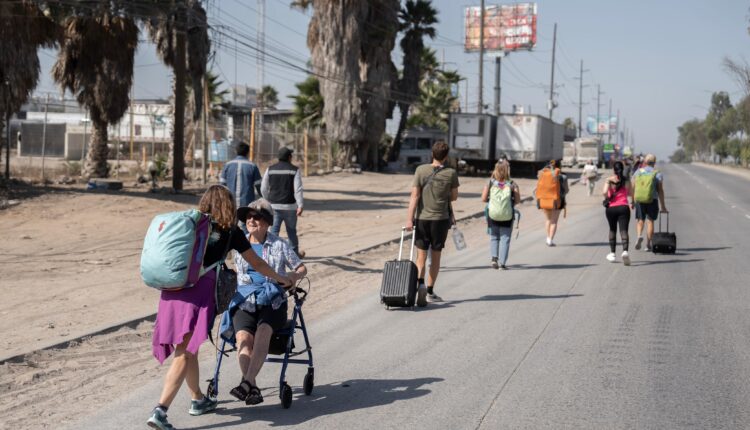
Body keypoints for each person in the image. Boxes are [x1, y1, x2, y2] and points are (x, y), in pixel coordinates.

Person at [147, 185, 292, 430]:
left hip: (171, 291)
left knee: (188, 347)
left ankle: (197, 399)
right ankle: (160, 410)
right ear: (229, 205)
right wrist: (281, 279)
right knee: (184, 351)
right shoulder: (230, 231)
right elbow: (256, 262)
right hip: (197, 293)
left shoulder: (192, 223)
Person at [223, 198, 307, 406]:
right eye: (248, 217)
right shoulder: (239, 243)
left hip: (273, 301)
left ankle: (247, 382)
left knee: (262, 333)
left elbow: (301, 267)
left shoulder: (279, 244)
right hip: (245, 300)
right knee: (243, 338)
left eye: (257, 217)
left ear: (268, 222)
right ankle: (252, 387)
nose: (251, 220)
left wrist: (293, 277)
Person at [406, 140, 459, 306]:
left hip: (422, 219)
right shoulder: (451, 173)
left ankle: (419, 284)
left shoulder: (421, 170)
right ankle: (429, 291)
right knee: (435, 257)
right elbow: (454, 196)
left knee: (420, 256)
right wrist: (441, 195)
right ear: (446, 157)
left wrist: (409, 219)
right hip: (440, 220)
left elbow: (414, 196)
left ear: (432, 154)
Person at [261, 146, 305, 258]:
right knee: (291, 232)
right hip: (290, 207)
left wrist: (268, 200)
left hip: (274, 206)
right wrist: (300, 205)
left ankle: (271, 254)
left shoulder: (270, 169)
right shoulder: (294, 170)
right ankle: (294, 255)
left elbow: (263, 188)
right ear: (289, 157)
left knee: (274, 232)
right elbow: (298, 189)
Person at [481, 159, 520, 270]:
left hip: (493, 214)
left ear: (495, 170)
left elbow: (483, 199)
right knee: (505, 238)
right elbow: (517, 200)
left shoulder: (490, 183)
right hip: (507, 215)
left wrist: (492, 200)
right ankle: (502, 263)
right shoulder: (512, 184)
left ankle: (494, 259)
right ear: (507, 170)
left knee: (494, 237)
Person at [632, 154, 667, 251]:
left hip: (639, 199)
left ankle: (639, 236)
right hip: (652, 200)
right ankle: (648, 244)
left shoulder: (638, 172)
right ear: (654, 163)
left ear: (645, 162)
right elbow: (660, 190)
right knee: (650, 221)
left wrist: (633, 201)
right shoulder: (657, 173)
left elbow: (633, 187)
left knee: (640, 220)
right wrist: (663, 206)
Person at [602, 161, 633, 265]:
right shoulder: (626, 180)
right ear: (622, 169)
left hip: (611, 208)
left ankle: (612, 254)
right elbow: (631, 193)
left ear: (613, 170)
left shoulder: (609, 180)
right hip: (624, 207)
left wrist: (607, 182)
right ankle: (625, 251)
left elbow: (604, 193)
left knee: (612, 229)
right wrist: (632, 202)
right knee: (624, 230)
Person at [220, 142, 262, 210]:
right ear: (248, 152)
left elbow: (222, 185)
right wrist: (264, 197)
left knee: (231, 220)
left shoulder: (227, 165)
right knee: (245, 220)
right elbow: (259, 186)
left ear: (236, 151)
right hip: (247, 203)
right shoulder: (253, 166)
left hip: (230, 202)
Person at [536, 160, 568, 247]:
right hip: (557, 201)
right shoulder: (562, 176)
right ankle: (550, 240)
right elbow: (566, 190)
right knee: (554, 221)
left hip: (544, 200)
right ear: (559, 166)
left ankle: (548, 238)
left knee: (548, 220)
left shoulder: (542, 174)